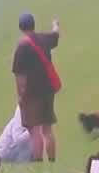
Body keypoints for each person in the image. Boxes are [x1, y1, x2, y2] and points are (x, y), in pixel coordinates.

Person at [11, 13, 62, 163]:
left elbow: (20, 77)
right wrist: (55, 24)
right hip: (48, 91)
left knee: (35, 132)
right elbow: (55, 34)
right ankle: (52, 162)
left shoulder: (22, 47)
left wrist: (20, 96)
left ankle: (39, 165)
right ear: (34, 24)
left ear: (21, 28)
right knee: (48, 130)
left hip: (31, 95)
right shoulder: (43, 39)